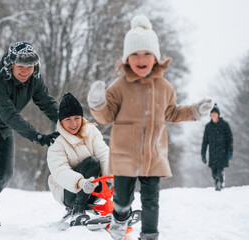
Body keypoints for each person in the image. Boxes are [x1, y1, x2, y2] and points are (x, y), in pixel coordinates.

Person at [87, 15, 213, 240]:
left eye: (147, 53)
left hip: (153, 154)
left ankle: (149, 235)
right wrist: (97, 103)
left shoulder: (164, 87)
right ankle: (120, 216)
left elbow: (172, 112)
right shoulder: (119, 87)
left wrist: (195, 111)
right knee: (123, 199)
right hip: (125, 155)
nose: (141, 58)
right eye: (135, 54)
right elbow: (106, 116)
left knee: (151, 201)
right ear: (127, 58)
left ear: (155, 57)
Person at [0, 41, 59, 230]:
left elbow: (47, 103)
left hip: (2, 124)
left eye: (29, 67)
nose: (25, 71)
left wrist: (69, 121)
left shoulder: (34, 79)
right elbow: (9, 115)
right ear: (10, 65)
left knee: (5, 173)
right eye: (20, 67)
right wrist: (38, 136)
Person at [46, 92, 110, 226]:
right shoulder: (57, 143)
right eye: (68, 119)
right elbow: (60, 171)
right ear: (61, 122)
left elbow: (104, 153)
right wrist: (81, 182)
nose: (74, 123)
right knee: (92, 162)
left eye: (76, 118)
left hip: (93, 188)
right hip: (69, 193)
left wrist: (113, 176)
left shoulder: (91, 131)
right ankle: (78, 211)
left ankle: (118, 209)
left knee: (110, 171)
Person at [201, 103, 233, 191]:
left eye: (215, 113)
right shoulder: (208, 127)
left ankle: (221, 184)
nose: (213, 115)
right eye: (212, 114)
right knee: (214, 170)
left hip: (223, 151)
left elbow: (230, 139)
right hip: (212, 152)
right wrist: (203, 153)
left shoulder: (224, 125)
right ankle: (216, 184)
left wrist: (230, 151)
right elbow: (205, 141)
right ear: (210, 115)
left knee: (220, 169)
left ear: (218, 114)